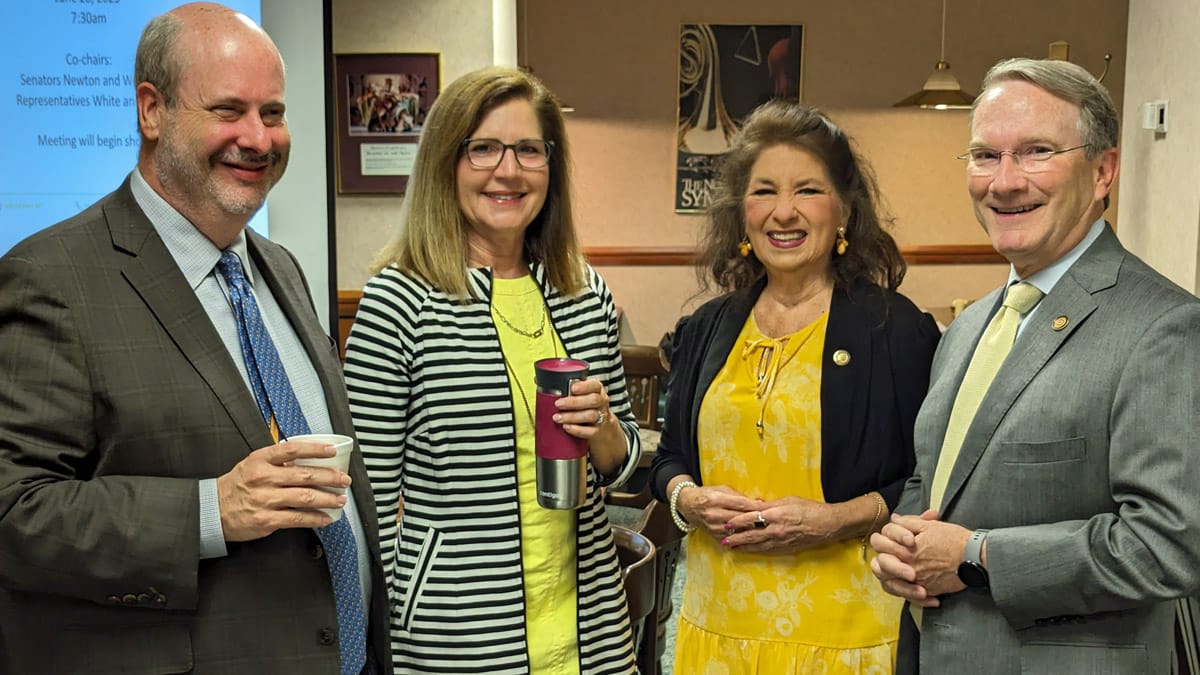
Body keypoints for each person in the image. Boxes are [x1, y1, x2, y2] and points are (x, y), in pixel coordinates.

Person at [0, 4, 391, 674]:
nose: (259, 138)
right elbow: (14, 509)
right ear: (151, 111)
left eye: (272, 113)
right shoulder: (52, 277)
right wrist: (210, 510)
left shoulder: (281, 268)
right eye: (228, 109)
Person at [870, 57, 1200, 674]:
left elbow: (1167, 545)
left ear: (1103, 170)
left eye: (1036, 151)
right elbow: (935, 483)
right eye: (984, 155)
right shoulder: (969, 325)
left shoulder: (1165, 327)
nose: (1004, 181)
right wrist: (900, 544)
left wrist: (976, 556)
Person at [341, 66, 641, 674]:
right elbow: (363, 501)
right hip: (457, 636)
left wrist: (606, 428)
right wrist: (411, 597)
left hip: (591, 629)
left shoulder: (584, 294)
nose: (508, 171)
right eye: (483, 149)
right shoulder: (400, 301)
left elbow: (624, 461)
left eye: (529, 149)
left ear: (549, 166)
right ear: (445, 165)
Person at [649, 100, 941, 673]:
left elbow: (925, 480)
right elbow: (670, 460)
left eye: (807, 190)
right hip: (716, 633)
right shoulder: (706, 329)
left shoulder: (896, 330)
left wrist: (836, 520)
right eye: (764, 192)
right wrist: (690, 499)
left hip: (845, 639)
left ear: (844, 211)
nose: (783, 212)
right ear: (741, 213)